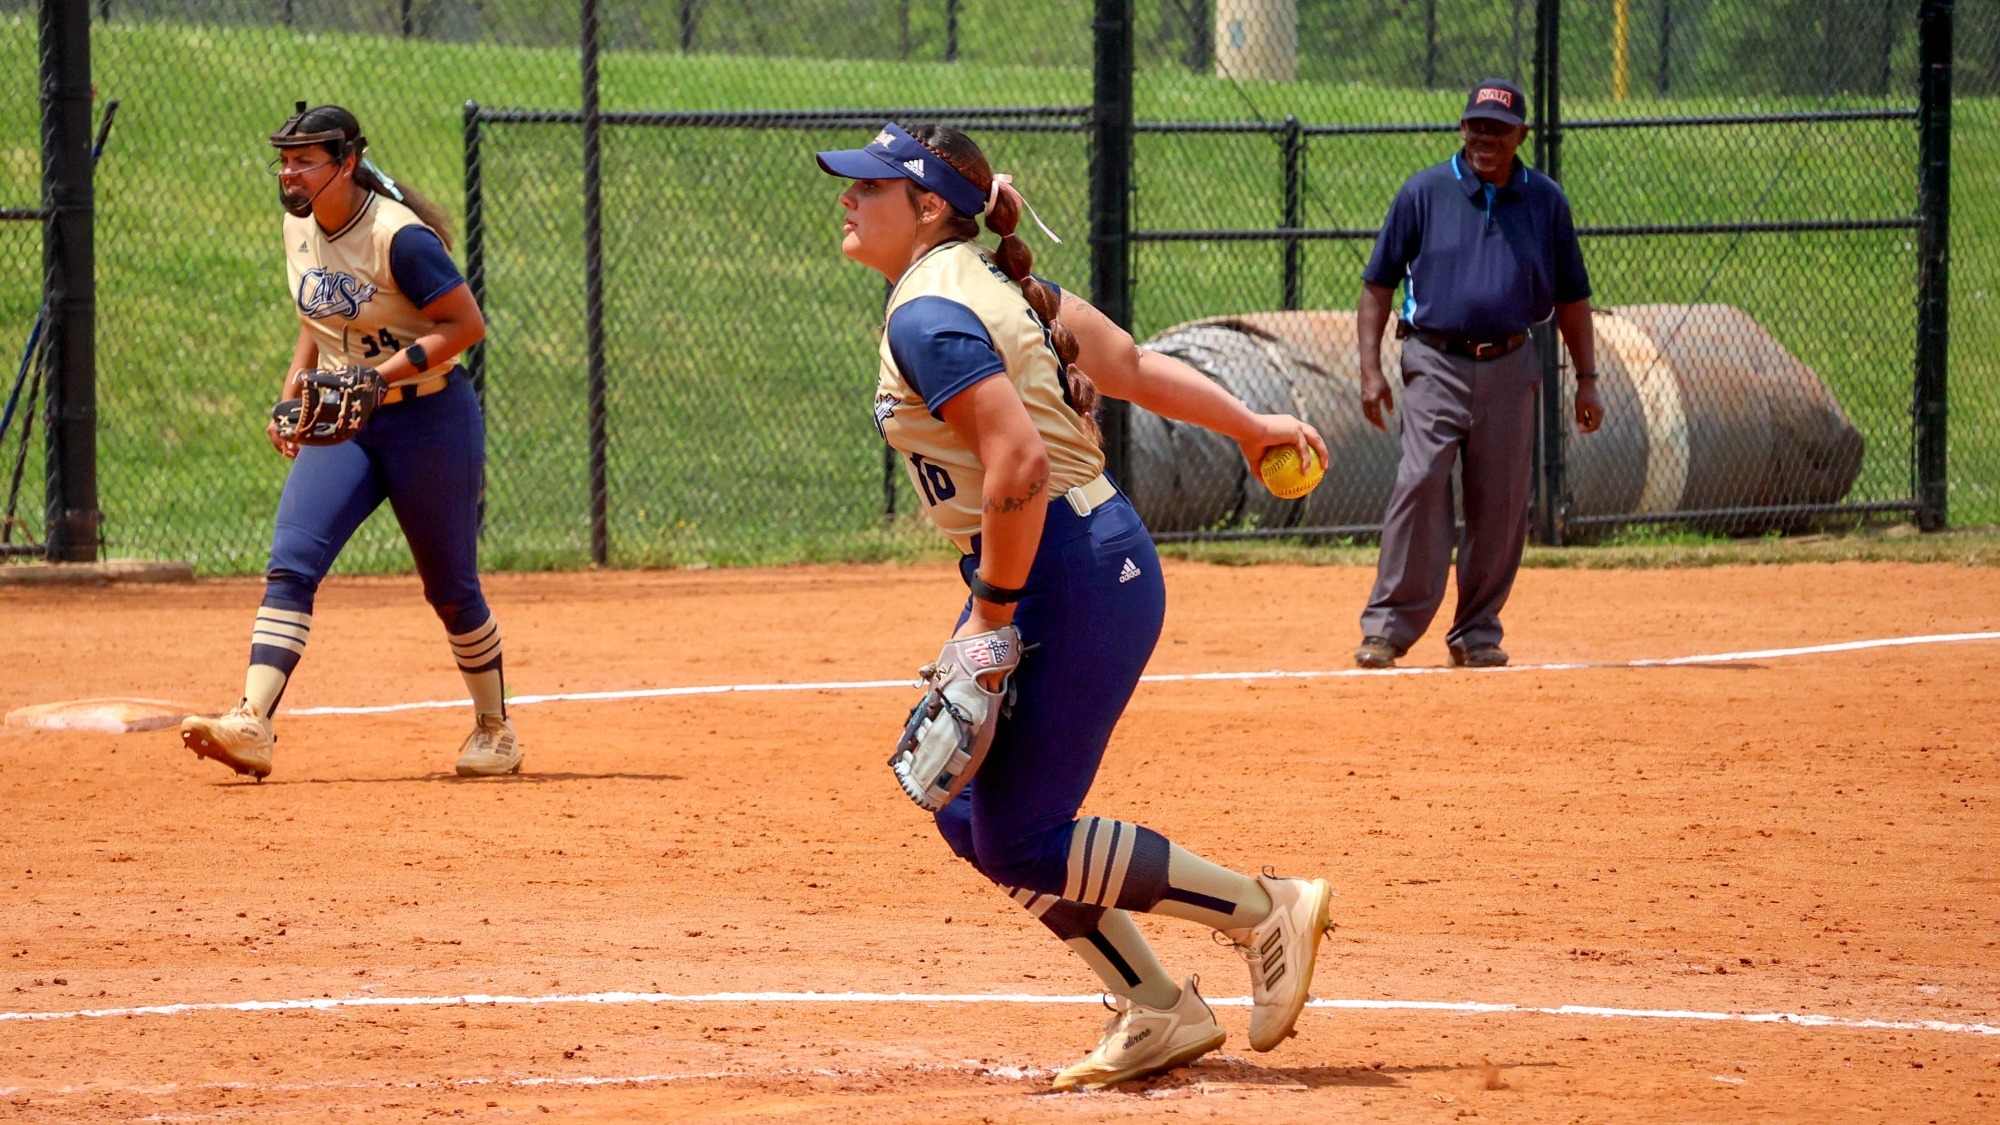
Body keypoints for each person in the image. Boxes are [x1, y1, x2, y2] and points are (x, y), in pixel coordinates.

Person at [816, 122, 1336, 1091]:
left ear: (927, 208)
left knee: (1019, 833)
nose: (847, 197)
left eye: (870, 186)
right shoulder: (992, 284)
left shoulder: (928, 313)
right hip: (1071, 557)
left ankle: (1265, 910)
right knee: (962, 803)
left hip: (1065, 570)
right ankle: (1157, 1008)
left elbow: (1017, 463)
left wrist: (989, 614)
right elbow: (1126, 365)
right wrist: (1248, 424)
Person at [178, 103, 521, 781]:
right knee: (292, 563)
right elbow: (318, 318)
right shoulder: (298, 225)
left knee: (451, 588)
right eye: (285, 160)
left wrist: (378, 377)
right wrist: (291, 393)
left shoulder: (399, 237)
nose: (290, 173)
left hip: (430, 420)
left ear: (347, 163)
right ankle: (252, 721)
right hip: (345, 423)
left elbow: (465, 325)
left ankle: (495, 729)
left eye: (306, 161)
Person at [1352, 78, 1606, 670]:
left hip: (1513, 364)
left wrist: (1587, 377)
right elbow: (1377, 286)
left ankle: (1476, 631)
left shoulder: (1545, 201)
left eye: (1498, 129)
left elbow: (1572, 297)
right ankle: (1388, 627)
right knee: (1420, 481)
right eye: (1476, 126)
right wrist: (1370, 370)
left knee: (1503, 501)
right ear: (1462, 128)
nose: (1485, 138)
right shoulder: (1424, 192)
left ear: (1522, 135)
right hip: (1434, 360)